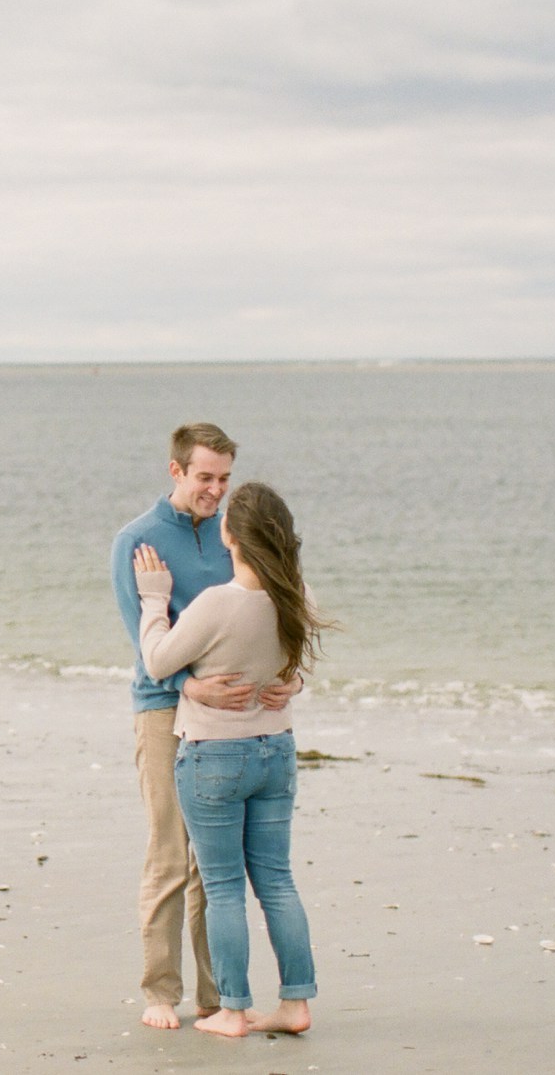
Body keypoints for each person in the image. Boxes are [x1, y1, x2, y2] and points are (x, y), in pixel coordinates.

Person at [110, 423, 298, 1030]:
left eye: (224, 479)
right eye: (204, 478)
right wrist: (188, 685)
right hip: (165, 709)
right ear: (175, 471)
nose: (215, 490)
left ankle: (219, 996)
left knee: (212, 869)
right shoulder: (136, 541)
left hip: (240, 721)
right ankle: (160, 991)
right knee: (171, 852)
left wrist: (291, 677)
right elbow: (144, 643)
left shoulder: (233, 537)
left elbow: (279, 616)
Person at [136, 481, 328, 1038]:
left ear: (231, 536)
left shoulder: (219, 602)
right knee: (277, 882)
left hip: (215, 757)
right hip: (276, 753)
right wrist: (288, 683)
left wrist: (153, 599)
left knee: (222, 886)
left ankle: (234, 1010)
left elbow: (158, 661)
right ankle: (294, 1005)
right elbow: (297, 667)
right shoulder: (298, 594)